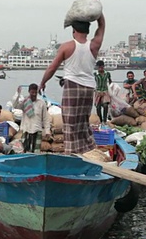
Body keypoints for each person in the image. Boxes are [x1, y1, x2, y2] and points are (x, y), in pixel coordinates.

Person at [40, 14, 105, 155]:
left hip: (72, 87)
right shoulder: (94, 45)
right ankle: (88, 150)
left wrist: (43, 82)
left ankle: (71, 154)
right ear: (88, 30)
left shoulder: (66, 47)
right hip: (88, 89)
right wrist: (100, 12)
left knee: (70, 124)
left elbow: (52, 68)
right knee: (83, 123)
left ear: (73, 30)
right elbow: (102, 27)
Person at [11, 84, 51, 153]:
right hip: (26, 129)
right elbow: (15, 105)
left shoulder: (41, 103)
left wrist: (47, 130)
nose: (34, 94)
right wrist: (17, 93)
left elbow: (45, 118)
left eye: (35, 92)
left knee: (36, 151)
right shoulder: (25, 102)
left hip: (37, 129)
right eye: (32, 92)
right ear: (29, 91)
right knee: (25, 149)